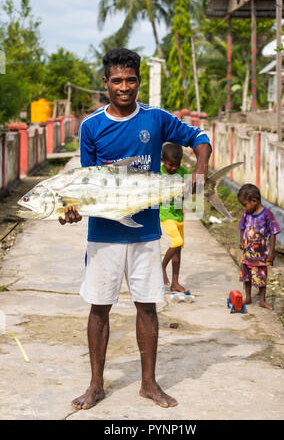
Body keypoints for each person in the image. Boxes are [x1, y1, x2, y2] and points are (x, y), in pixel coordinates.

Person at [59, 48, 211, 410]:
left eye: (130, 80)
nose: (124, 87)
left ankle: (148, 384)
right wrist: (74, 209)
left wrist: (200, 170)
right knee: (99, 308)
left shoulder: (156, 119)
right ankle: (95, 385)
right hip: (104, 236)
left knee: (147, 308)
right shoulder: (91, 126)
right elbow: (89, 182)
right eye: (116, 81)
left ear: (139, 82)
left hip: (145, 234)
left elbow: (200, 136)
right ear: (105, 83)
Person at [237, 184, 281, 311]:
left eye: (245, 204)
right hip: (247, 254)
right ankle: (248, 297)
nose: (244, 207)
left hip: (261, 255)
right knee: (246, 276)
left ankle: (262, 300)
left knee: (261, 276)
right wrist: (241, 242)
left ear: (254, 201)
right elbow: (241, 228)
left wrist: (272, 251)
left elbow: (273, 233)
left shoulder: (267, 215)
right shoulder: (246, 214)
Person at [159, 143, 188, 293]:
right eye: (171, 165)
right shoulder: (158, 173)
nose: (174, 168)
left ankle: (175, 283)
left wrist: (185, 194)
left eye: (177, 165)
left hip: (178, 214)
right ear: (163, 159)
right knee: (177, 242)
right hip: (165, 213)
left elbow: (187, 192)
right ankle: (161, 266)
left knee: (178, 250)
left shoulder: (183, 172)